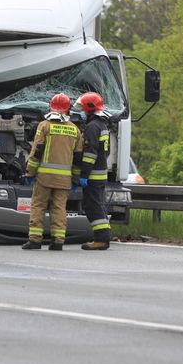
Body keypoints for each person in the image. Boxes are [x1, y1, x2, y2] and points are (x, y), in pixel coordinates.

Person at [22, 93, 83, 251]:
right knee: (59, 208)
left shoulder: (45, 126)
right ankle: (58, 241)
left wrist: (30, 172)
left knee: (38, 206)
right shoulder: (75, 130)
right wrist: (76, 179)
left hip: (44, 178)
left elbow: (37, 151)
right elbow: (77, 159)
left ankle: (35, 240)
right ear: (68, 109)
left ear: (51, 107)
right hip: (64, 180)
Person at [75, 92, 113, 251]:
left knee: (93, 206)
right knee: (99, 205)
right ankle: (104, 236)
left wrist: (84, 175)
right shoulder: (102, 125)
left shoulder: (92, 127)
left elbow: (90, 154)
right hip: (101, 173)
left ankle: (101, 240)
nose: (82, 112)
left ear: (89, 108)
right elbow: (106, 151)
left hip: (92, 175)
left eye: (83, 108)